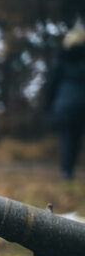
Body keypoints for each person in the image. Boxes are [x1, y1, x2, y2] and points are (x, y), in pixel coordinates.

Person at [45, 24, 85, 181]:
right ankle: (69, 171)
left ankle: (66, 172)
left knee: (67, 139)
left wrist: (49, 104)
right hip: (81, 105)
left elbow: (52, 84)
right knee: (75, 139)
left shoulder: (61, 59)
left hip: (64, 105)